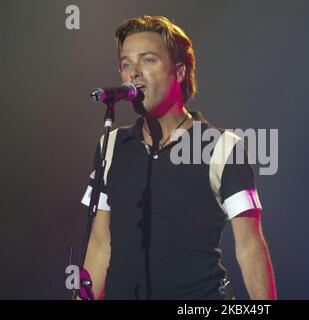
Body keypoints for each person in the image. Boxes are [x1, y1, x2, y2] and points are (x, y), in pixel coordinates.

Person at [80, 15, 276, 300]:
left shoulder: (222, 147)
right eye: (126, 63)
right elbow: (100, 244)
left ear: (180, 71)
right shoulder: (110, 145)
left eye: (148, 60)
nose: (133, 72)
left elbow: (249, 245)